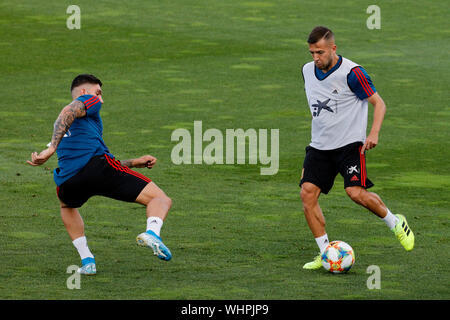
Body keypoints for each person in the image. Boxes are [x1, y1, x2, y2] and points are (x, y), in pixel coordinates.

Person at [27, 74, 173, 275]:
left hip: (69, 180)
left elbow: (94, 160)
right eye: (98, 93)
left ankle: (87, 261)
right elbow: (68, 111)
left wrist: (133, 163)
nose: (101, 99)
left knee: (67, 205)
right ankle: (152, 233)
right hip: (99, 167)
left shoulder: (72, 128)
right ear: (84, 92)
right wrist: (52, 148)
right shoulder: (87, 102)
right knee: (160, 198)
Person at [299, 26, 414, 270]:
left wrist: (373, 133)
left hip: (349, 146)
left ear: (333, 48)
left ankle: (396, 222)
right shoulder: (307, 71)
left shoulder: (353, 72)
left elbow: (379, 103)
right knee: (307, 194)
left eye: (320, 52)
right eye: (312, 53)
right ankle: (326, 253)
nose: (315, 58)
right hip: (319, 146)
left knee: (356, 193)